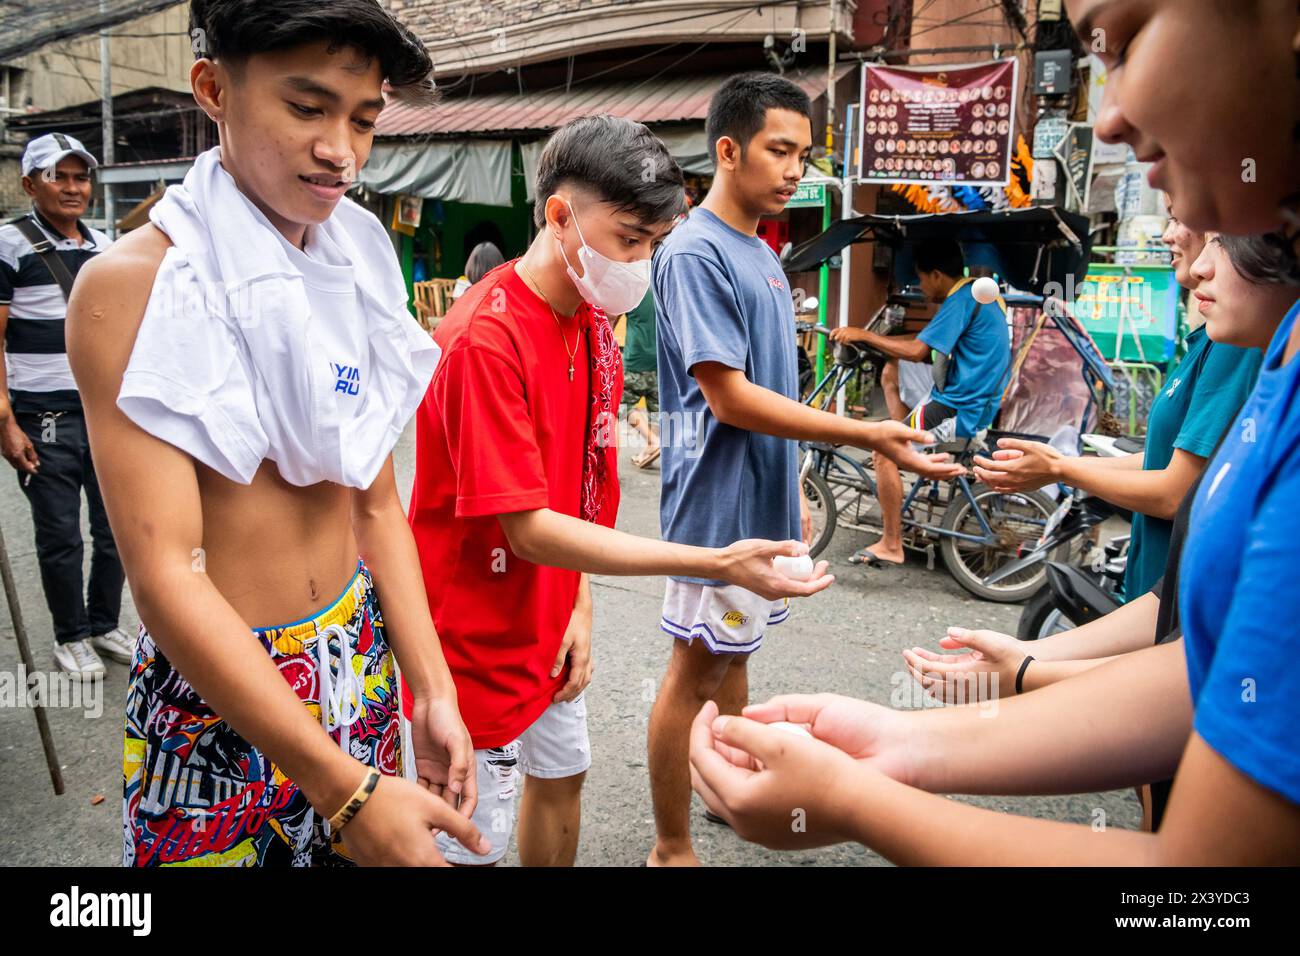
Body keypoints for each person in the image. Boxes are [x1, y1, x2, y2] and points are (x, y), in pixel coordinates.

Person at [688, 0, 1300, 865]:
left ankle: (896, 537)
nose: (1112, 110)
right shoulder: (1276, 354)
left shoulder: (958, 303)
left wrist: (858, 801)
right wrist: (906, 740)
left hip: (956, 417)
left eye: (1122, 42)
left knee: (891, 433)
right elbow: (1202, 663)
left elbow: (1204, 887)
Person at [66, 0, 488, 867]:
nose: (342, 148)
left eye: (364, 119)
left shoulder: (356, 260)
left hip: (357, 658)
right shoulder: (134, 288)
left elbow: (374, 506)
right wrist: (346, 792)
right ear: (213, 88)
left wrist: (432, 688)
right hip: (222, 696)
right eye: (307, 108)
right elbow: (166, 577)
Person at [404, 114, 833, 868]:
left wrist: (578, 604)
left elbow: (581, 486)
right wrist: (715, 563)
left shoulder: (593, 322)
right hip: (471, 636)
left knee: (563, 774)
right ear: (559, 215)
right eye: (629, 239)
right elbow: (528, 528)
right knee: (467, 833)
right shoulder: (485, 339)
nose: (640, 262)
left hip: (547, 616)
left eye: (653, 245)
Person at [647, 73, 963, 867]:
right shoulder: (694, 251)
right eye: (779, 150)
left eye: (804, 154)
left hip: (759, 499)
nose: (795, 170)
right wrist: (864, 433)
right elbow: (729, 397)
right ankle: (669, 843)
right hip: (716, 511)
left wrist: (790, 481)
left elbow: (768, 389)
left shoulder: (757, 248)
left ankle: (732, 787)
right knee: (693, 673)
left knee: (734, 660)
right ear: (728, 150)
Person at [972, 196, 1262, 599]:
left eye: (1179, 220)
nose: (1167, 237)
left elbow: (1175, 492)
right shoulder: (1211, 337)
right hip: (1156, 588)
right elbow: (1164, 458)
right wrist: (1067, 465)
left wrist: (1060, 469)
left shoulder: (1236, 341)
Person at [0, 133, 129, 678]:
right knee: (59, 534)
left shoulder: (104, 244)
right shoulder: (9, 243)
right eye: (59, 176)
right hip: (41, 416)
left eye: (81, 177)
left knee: (117, 526)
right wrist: (5, 420)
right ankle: (70, 635)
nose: (73, 188)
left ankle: (103, 624)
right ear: (31, 184)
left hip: (105, 412)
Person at [829, 238, 1010, 566]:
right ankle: (901, 454)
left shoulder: (962, 299)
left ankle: (891, 543)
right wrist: (880, 344)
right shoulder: (981, 294)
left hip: (959, 408)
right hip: (972, 398)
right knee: (890, 372)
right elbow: (920, 344)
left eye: (922, 278)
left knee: (882, 449)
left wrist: (864, 335)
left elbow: (917, 350)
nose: (921, 287)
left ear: (937, 274)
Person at [621, 287, 660, 468]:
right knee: (656, 408)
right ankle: (649, 448)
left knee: (622, 405)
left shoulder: (634, 289)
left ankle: (652, 441)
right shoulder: (665, 285)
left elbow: (612, 318)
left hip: (636, 359)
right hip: (661, 359)